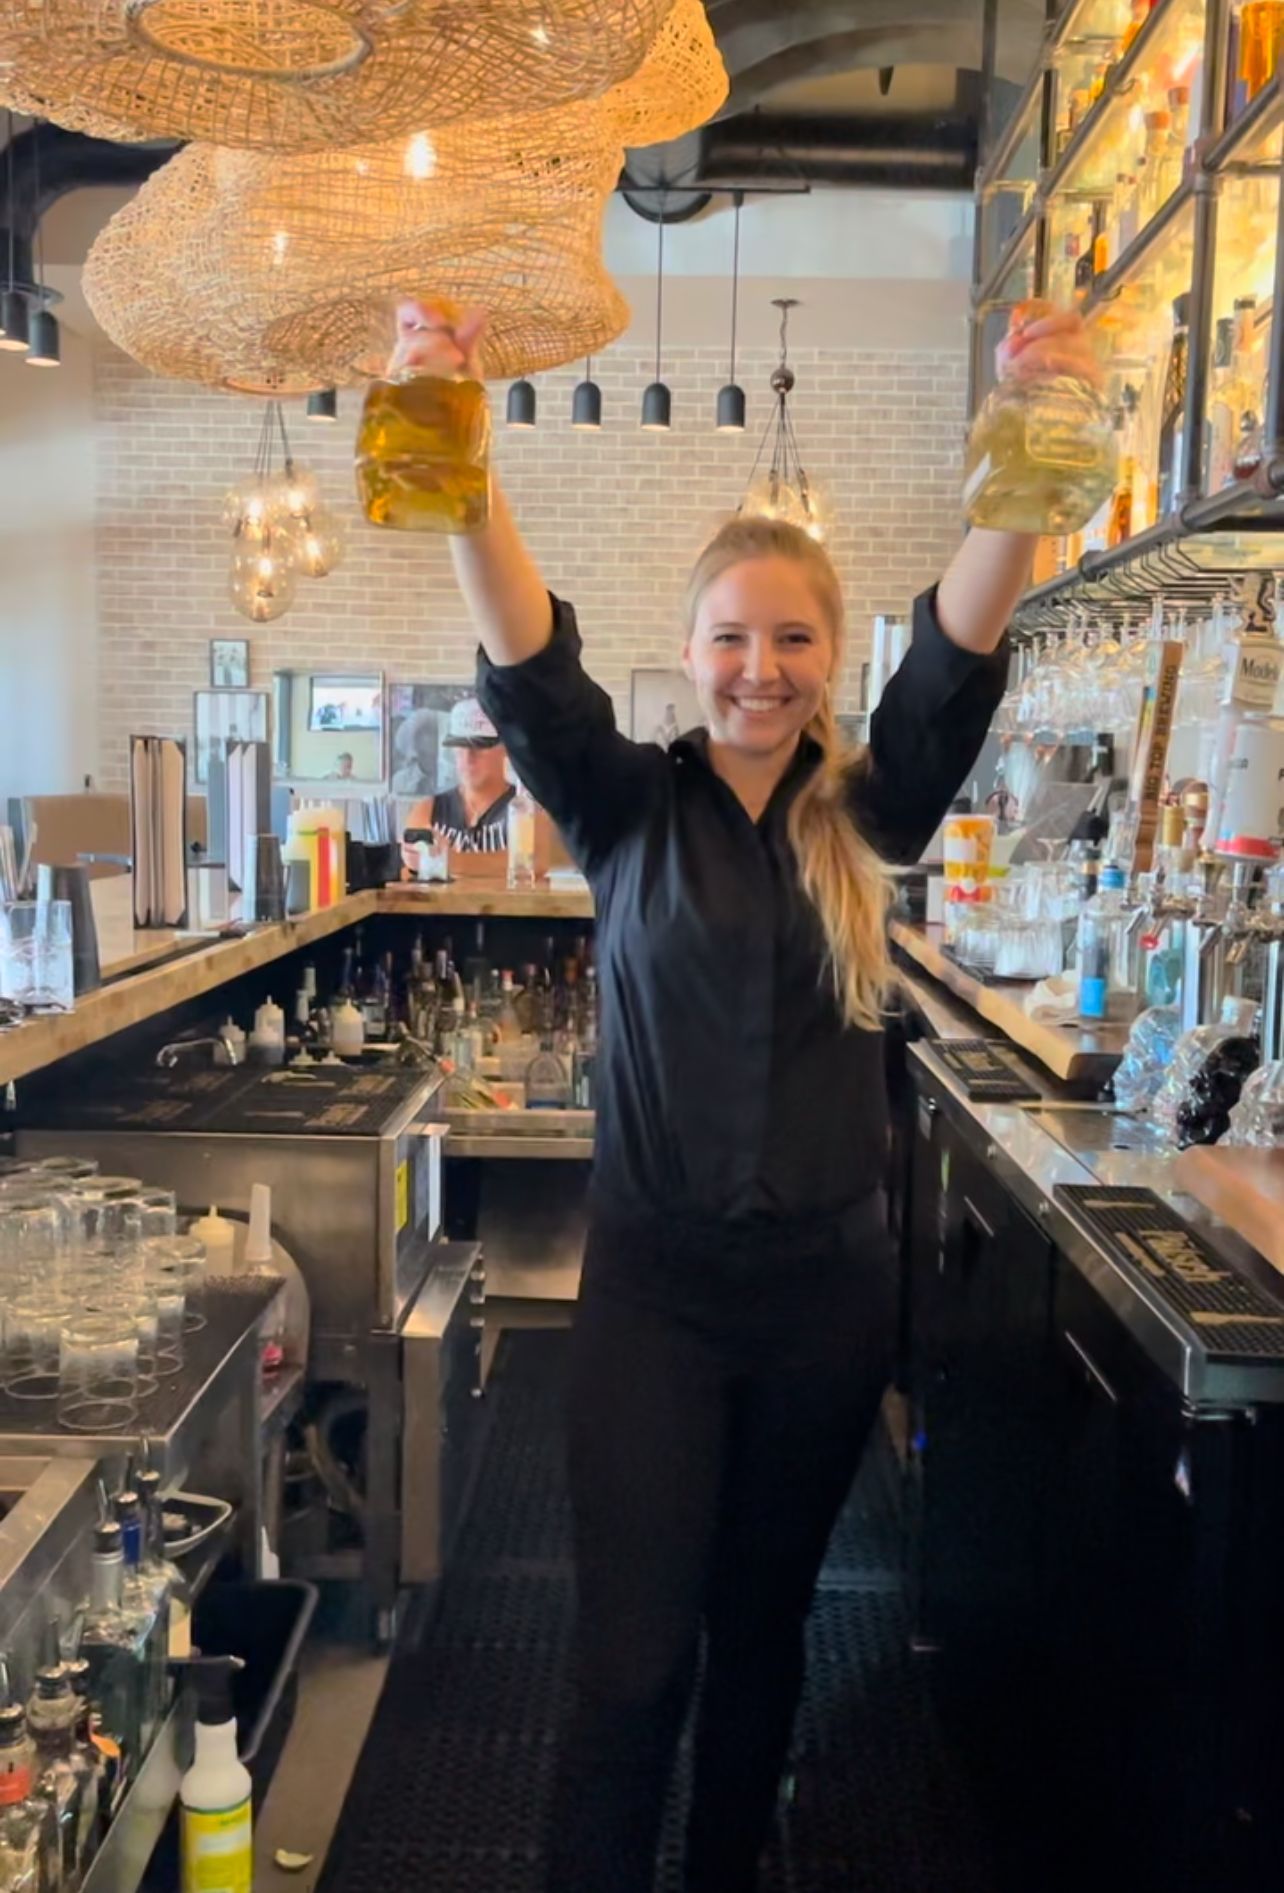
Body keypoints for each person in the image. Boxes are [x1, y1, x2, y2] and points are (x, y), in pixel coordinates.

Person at [390, 298, 1098, 1892]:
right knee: (634, 1664)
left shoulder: (871, 810)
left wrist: (1033, 445)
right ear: (694, 646)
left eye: (791, 640)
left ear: (826, 657)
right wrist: (456, 444)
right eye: (731, 636)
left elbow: (960, 655)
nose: (759, 670)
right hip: (653, 1293)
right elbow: (524, 655)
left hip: (824, 1304)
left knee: (763, 1633)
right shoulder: (627, 801)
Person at [401, 698, 515, 857]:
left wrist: (448, 862)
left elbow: (532, 864)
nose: (468, 758)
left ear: (505, 749)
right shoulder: (428, 811)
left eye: (479, 747)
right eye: (461, 747)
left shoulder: (526, 811)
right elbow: (410, 874)